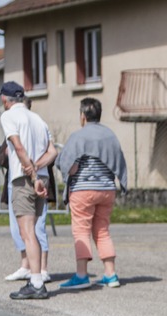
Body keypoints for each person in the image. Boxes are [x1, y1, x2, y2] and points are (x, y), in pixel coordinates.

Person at [56, 98, 128, 290]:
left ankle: (81, 275)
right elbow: (119, 161)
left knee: (81, 230)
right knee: (102, 230)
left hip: (83, 190)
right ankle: (110, 274)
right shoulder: (110, 135)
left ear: (82, 116)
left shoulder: (79, 136)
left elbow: (68, 165)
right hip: (107, 189)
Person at [0, 81, 56, 300]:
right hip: (42, 178)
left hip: (24, 180)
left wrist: (31, 174)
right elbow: (52, 152)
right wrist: (39, 169)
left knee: (27, 232)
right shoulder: (38, 118)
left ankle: (36, 282)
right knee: (35, 230)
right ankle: (38, 276)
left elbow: (18, 146)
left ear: (5, 99)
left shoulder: (8, 116)